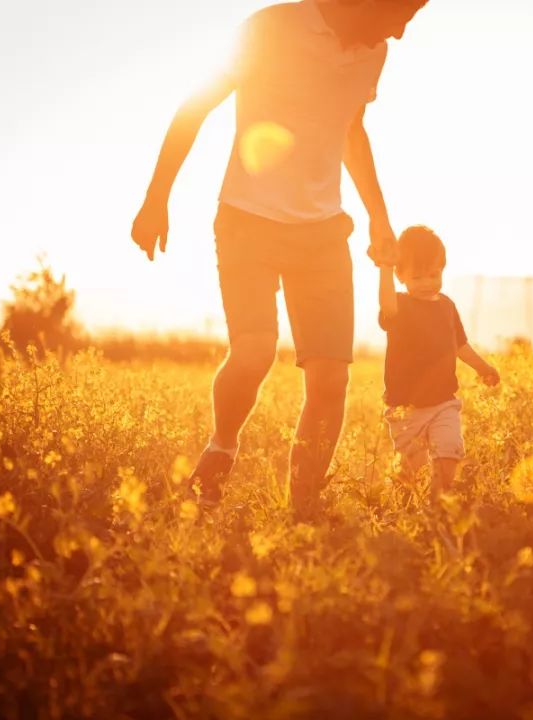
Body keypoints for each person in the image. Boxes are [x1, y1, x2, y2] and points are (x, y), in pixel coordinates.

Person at [130, 0, 429, 520]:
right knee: (253, 354)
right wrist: (157, 198)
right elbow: (195, 106)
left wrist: (379, 216)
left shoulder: (373, 52)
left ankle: (304, 513)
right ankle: (222, 445)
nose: (401, 33)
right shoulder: (271, 28)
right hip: (248, 220)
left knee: (331, 380)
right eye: (401, 14)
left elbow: (351, 128)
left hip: (323, 232)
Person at [378, 226, 500, 494]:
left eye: (434, 274)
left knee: (448, 455)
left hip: (444, 402)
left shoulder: (446, 306)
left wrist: (483, 367)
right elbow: (386, 305)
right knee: (411, 472)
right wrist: (385, 267)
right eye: (417, 276)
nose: (427, 283)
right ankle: (405, 509)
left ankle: (438, 507)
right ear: (400, 275)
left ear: (442, 269)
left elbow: (460, 345)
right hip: (406, 408)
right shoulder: (399, 306)